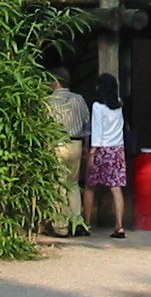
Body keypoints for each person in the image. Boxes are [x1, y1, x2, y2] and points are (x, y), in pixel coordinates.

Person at [44, 67, 90, 237]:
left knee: (58, 185)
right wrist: (85, 146)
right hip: (76, 144)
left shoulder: (48, 101)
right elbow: (87, 125)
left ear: (55, 81)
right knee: (73, 184)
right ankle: (76, 222)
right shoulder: (79, 99)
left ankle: (60, 225)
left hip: (57, 144)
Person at [83, 72, 128, 238]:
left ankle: (86, 223)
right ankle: (119, 225)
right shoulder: (120, 104)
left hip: (102, 149)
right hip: (117, 149)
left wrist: (92, 153)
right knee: (116, 188)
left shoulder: (97, 106)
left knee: (90, 186)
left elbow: (97, 131)